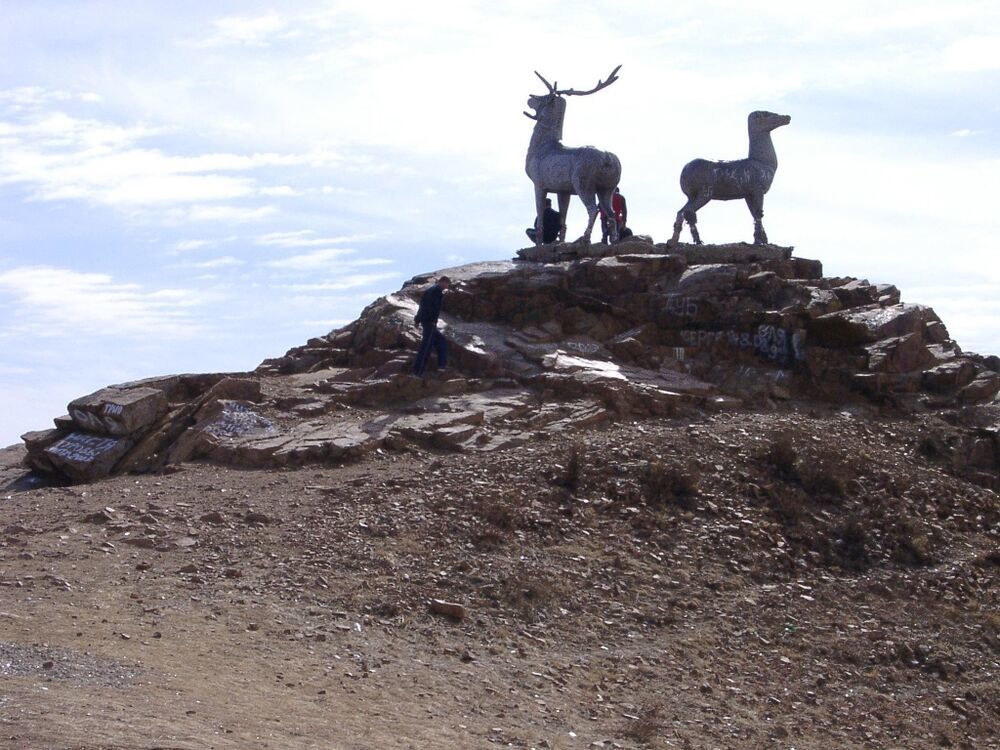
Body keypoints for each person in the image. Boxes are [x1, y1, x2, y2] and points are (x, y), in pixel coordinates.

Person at [412, 275, 451, 376]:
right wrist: (433, 320)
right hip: (430, 322)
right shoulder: (437, 292)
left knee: (441, 340)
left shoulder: (429, 291)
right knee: (426, 347)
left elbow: (422, 306)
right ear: (443, 282)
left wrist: (417, 320)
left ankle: (442, 365)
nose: (447, 287)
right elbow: (433, 308)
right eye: (447, 284)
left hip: (426, 321)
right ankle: (418, 371)